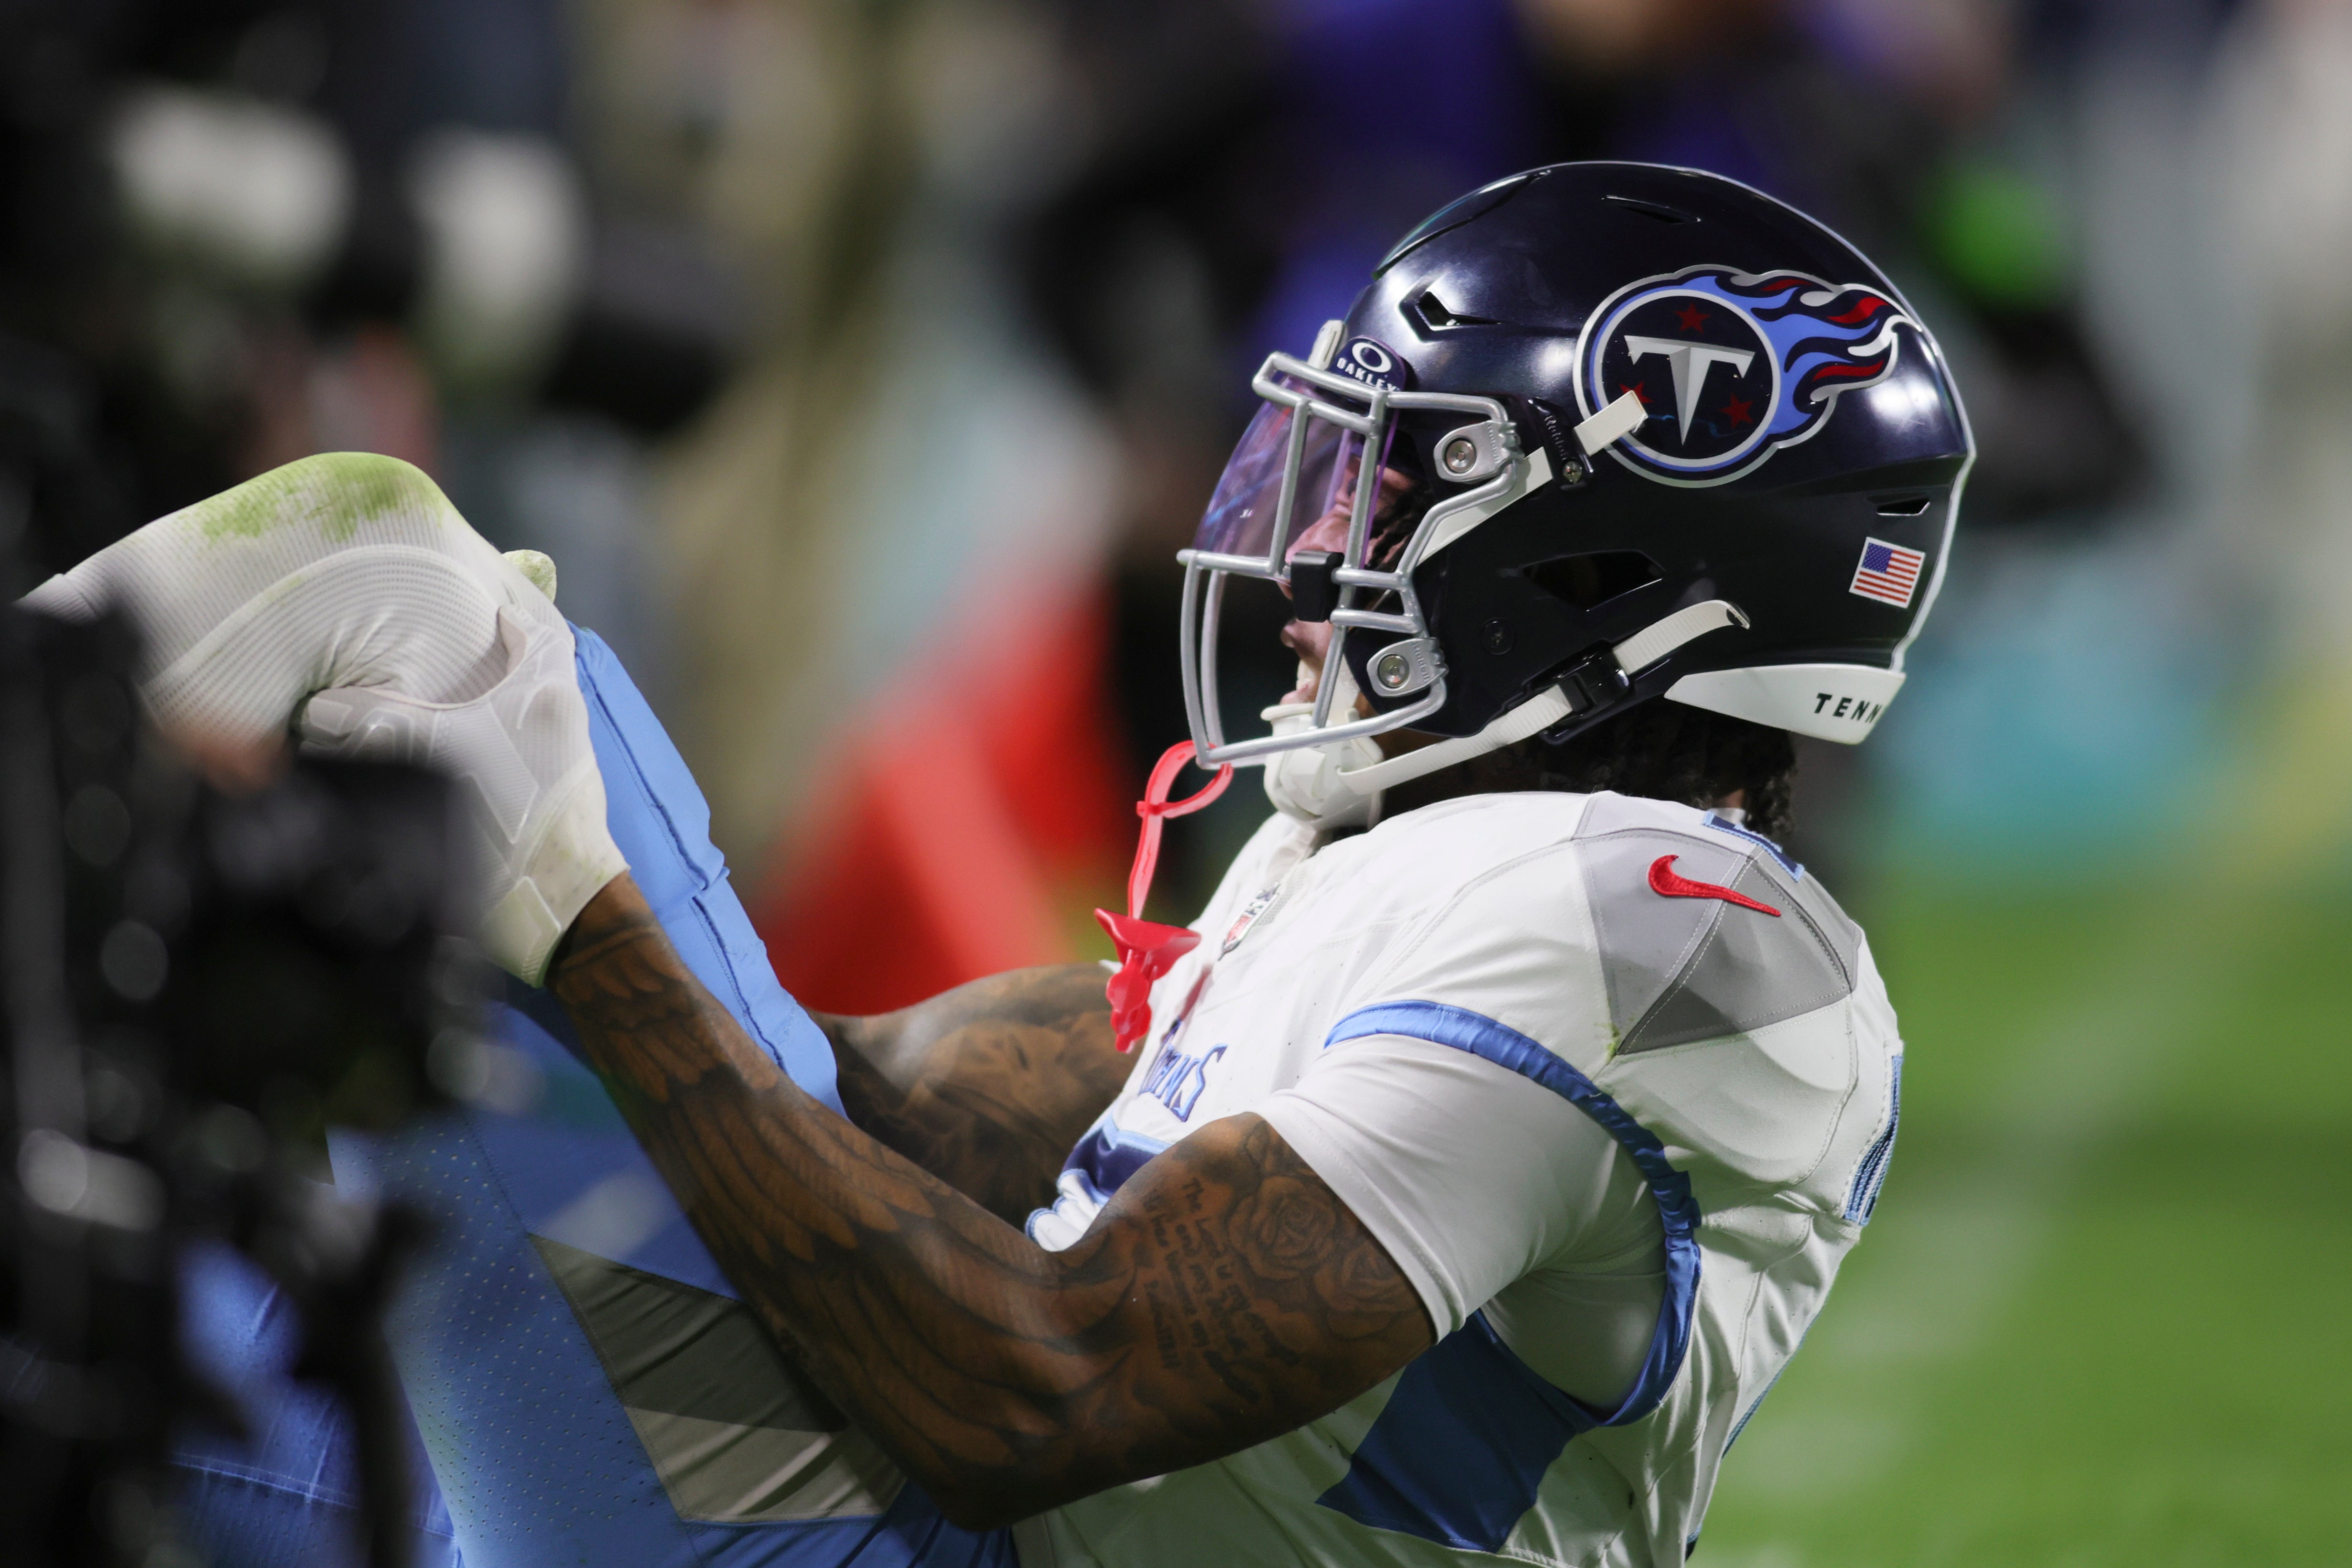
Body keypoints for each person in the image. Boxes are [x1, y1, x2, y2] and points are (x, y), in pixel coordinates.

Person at [27, 162, 1967, 1568]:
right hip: (882, 1515)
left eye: (1399, 488)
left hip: (942, 1528)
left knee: (389, 590)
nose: (1314, 561)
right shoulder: (1433, 851)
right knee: (78, 1337)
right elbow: (900, 1096)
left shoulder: (1664, 932)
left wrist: (593, 926)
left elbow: (1029, 1395)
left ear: (1610, 570)